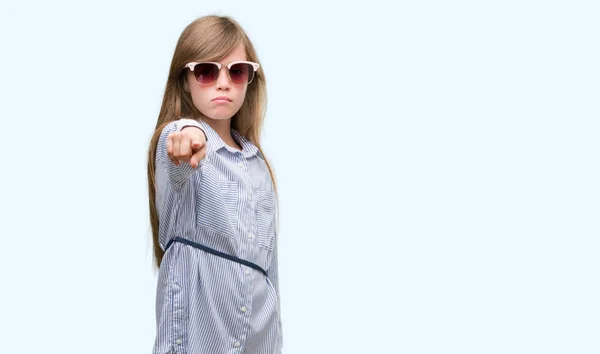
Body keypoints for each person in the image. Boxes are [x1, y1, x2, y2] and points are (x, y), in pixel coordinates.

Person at [146, 15, 282, 354]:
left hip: (260, 337)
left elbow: (271, 270)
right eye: (206, 71)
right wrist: (187, 137)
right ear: (185, 81)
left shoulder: (258, 164)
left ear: (250, 79)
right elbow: (177, 147)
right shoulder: (181, 140)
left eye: (236, 71)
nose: (223, 82)